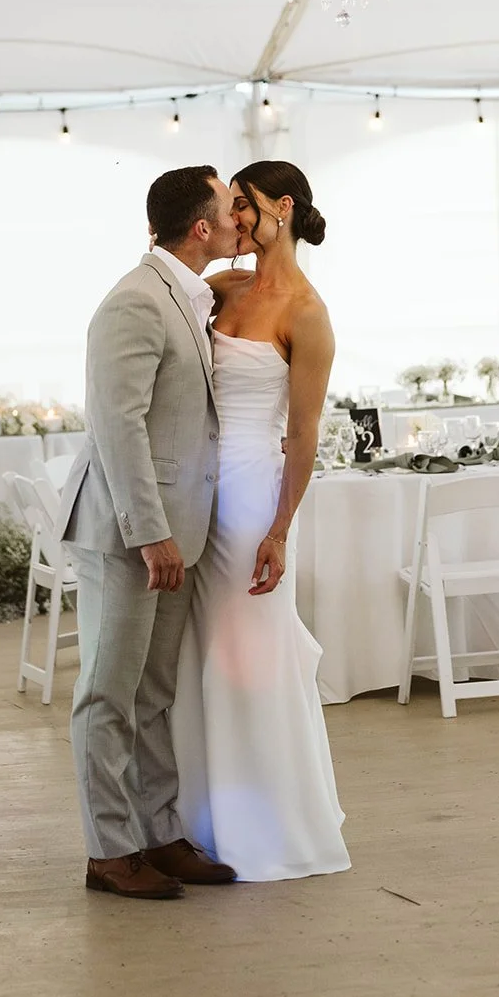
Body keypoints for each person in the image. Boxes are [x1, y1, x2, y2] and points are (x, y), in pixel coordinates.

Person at [56, 166, 241, 900]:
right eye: (230, 209)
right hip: (128, 535)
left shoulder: (186, 298)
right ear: (201, 227)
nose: (238, 220)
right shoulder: (133, 302)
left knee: (155, 694)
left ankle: (159, 834)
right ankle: (109, 851)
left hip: (178, 532)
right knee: (107, 694)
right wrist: (149, 532)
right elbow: (117, 428)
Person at [170, 159, 350, 881]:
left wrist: (278, 530)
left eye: (243, 206)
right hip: (196, 493)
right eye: (229, 207)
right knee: (199, 661)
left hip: (251, 504)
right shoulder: (221, 288)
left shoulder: (308, 314)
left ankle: (266, 825)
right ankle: (196, 820)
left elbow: (302, 437)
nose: (234, 220)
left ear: (282, 206)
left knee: (250, 660)